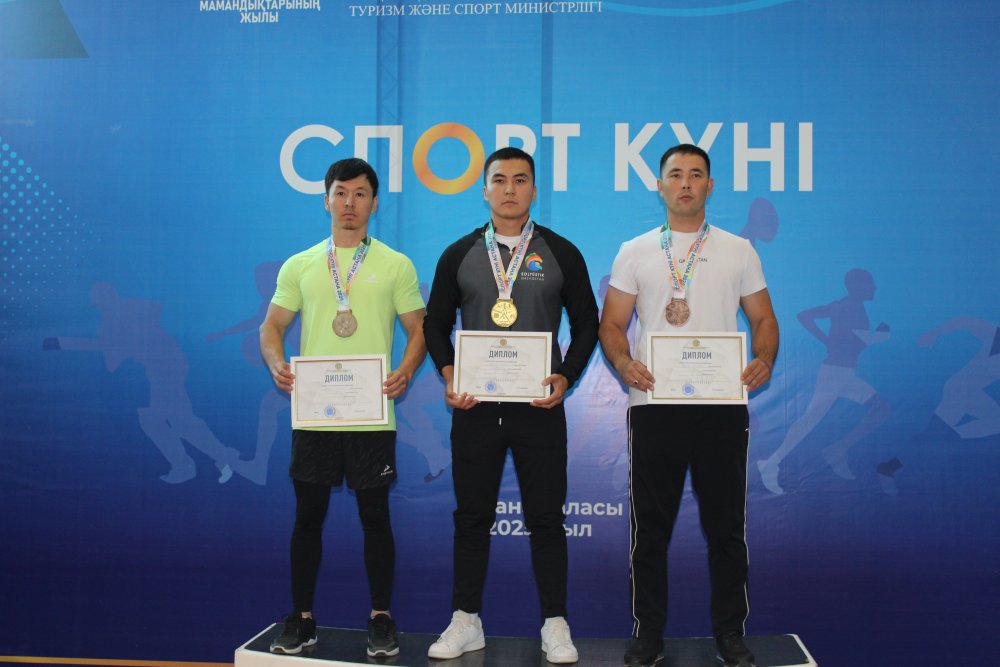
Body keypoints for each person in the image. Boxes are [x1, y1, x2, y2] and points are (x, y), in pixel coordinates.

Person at [598, 144, 778, 667]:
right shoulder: (634, 250)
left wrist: (764, 357)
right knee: (650, 530)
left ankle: (730, 634)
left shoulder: (739, 250)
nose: (684, 183)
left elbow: (764, 320)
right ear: (659, 186)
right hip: (654, 403)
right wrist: (624, 362)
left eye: (695, 175)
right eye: (675, 175)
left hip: (721, 406)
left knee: (727, 529)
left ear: (709, 186)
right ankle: (648, 634)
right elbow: (612, 324)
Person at [423, 147, 598, 664]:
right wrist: (450, 374)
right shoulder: (458, 254)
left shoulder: (561, 252)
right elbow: (435, 324)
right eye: (499, 180)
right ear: (484, 190)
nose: (509, 189)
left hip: (538, 407)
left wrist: (566, 375)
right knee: (471, 518)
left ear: (534, 190)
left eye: (520, 180)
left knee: (546, 519)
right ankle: (466, 620)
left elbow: (587, 323)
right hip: (474, 407)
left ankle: (555, 624)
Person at [259, 158, 426, 657]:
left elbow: (419, 329)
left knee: (375, 516)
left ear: (374, 203)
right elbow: (271, 327)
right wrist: (276, 362)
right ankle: (302, 618)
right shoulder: (300, 264)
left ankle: (381, 618)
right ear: (326, 200)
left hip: (371, 414)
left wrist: (406, 370)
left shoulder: (396, 264)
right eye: (340, 193)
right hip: (316, 413)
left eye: (360, 194)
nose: (349, 203)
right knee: (307, 517)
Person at [757, 268, 890, 494]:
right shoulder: (846, 307)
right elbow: (851, 340)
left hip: (845, 374)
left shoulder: (849, 306)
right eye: (869, 283)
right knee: (810, 421)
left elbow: (808, 318)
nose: (874, 287)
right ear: (857, 286)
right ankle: (771, 463)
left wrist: (832, 339)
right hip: (834, 375)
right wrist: (878, 336)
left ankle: (837, 450)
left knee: (880, 409)